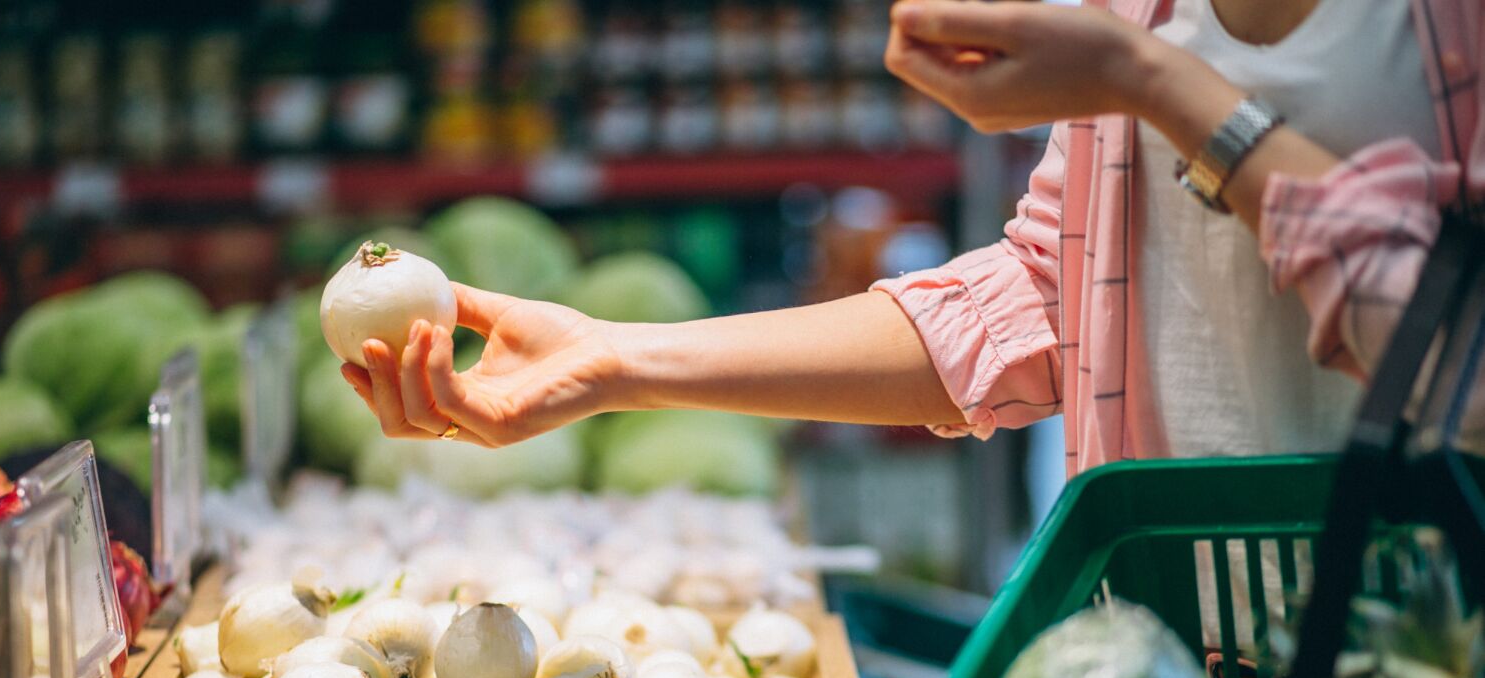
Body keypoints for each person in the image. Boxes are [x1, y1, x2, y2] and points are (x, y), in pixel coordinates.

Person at [342, 0, 1479, 480]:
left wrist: (1165, 93)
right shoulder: (1141, 16)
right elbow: (1046, 299)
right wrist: (620, 362)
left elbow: (1461, 362)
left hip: (1436, 674)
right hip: (1182, 657)